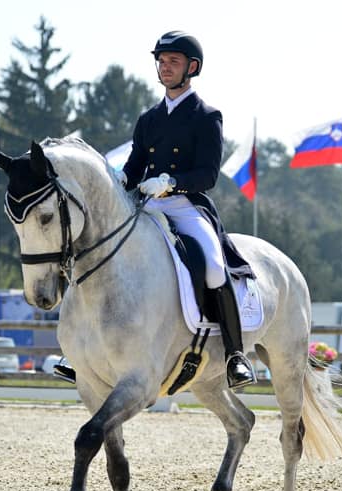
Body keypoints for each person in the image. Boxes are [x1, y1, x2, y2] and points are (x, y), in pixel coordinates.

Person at [118, 30, 256, 389]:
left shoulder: (206, 116)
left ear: (191, 68)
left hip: (185, 205)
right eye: (161, 62)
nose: (165, 68)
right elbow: (134, 168)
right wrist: (119, 182)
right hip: (147, 204)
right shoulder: (149, 118)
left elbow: (208, 174)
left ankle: (235, 354)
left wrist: (170, 182)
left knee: (212, 265)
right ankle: (82, 349)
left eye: (173, 62)